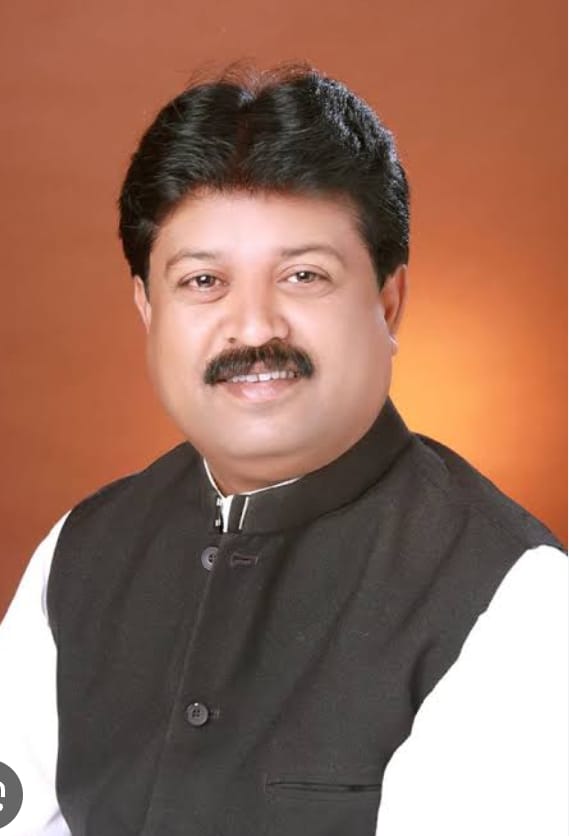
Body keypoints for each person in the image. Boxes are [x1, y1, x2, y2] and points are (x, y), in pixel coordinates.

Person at [0, 64, 566, 836]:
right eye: (203, 281)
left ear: (387, 302)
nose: (254, 326)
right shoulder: (79, 552)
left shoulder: (515, 602)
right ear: (147, 309)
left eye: (303, 275)